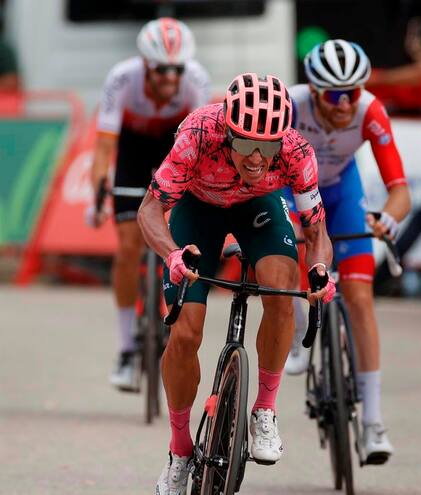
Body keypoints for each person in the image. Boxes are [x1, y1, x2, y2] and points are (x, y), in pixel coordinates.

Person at [138, 73, 335, 494]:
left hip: (257, 208)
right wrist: (172, 253)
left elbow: (317, 234)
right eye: (245, 144)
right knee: (185, 333)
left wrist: (320, 270)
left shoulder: (296, 151)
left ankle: (264, 409)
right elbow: (150, 211)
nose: (256, 159)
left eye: (267, 147)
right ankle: (179, 448)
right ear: (226, 132)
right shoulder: (198, 133)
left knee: (282, 291)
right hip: (198, 207)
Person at [284, 39, 411, 465]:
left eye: (352, 93)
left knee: (359, 298)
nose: (344, 104)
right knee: (285, 254)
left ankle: (373, 422)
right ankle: (299, 331)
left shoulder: (369, 110)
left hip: (340, 192)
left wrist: (388, 219)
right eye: (334, 95)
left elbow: (400, 192)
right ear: (314, 91)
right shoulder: (290, 106)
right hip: (287, 188)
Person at [87, 18, 210, 390]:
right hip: (134, 149)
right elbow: (105, 145)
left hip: (177, 146)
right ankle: (126, 349)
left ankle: (167, 313)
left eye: (177, 69)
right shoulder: (122, 78)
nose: (171, 77)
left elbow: (203, 147)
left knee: (178, 232)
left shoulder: (196, 80)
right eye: (162, 70)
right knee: (127, 247)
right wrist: (98, 195)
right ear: (145, 65)